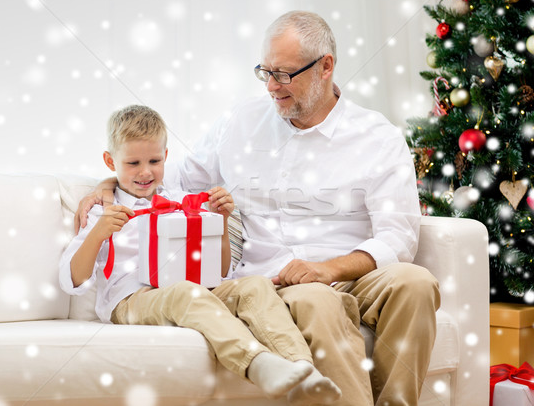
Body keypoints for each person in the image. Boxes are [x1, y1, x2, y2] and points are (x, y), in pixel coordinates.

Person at [76, 11, 441, 406]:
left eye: (283, 75)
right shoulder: (241, 122)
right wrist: (109, 183)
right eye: (264, 72)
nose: (270, 86)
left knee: (416, 282)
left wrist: (330, 268)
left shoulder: (377, 137)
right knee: (317, 299)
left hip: (349, 271)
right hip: (275, 281)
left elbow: (399, 236)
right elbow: (169, 180)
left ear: (325, 67)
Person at [60, 104, 343, 406]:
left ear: (166, 157)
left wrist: (219, 221)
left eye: (154, 160)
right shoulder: (102, 211)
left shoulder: (182, 201)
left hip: (195, 286)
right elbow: (71, 278)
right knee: (186, 293)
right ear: (109, 160)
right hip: (131, 298)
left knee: (255, 285)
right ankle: (257, 363)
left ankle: (303, 369)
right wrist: (98, 233)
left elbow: (219, 271)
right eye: (132, 163)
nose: (145, 171)